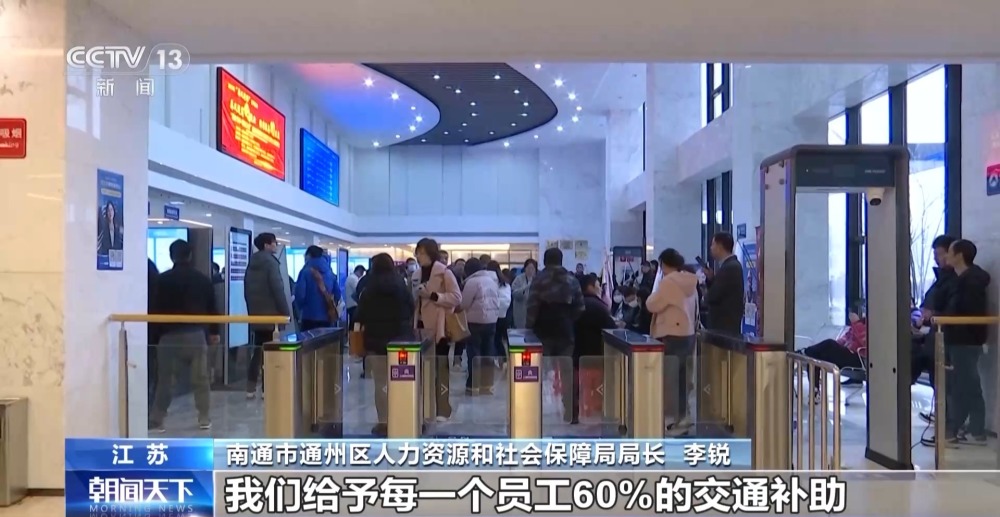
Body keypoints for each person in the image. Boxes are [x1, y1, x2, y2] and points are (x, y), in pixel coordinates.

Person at [148, 239, 219, 433]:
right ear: (190, 255)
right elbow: (212, 308)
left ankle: (157, 419)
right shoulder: (202, 279)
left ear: (171, 256)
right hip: (196, 335)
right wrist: (214, 332)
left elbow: (153, 310)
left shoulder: (162, 280)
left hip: (168, 336)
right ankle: (204, 417)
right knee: (201, 380)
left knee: (165, 380)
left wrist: (155, 338)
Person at [355, 253, 414, 437]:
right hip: (401, 341)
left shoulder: (368, 288)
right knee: (402, 381)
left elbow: (360, 315)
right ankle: (403, 419)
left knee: (381, 384)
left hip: (376, 341)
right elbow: (411, 308)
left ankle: (384, 423)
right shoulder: (401, 285)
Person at [940, 239, 991, 445]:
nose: (946, 256)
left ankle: (969, 429)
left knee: (967, 385)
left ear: (959, 255)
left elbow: (968, 311)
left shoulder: (971, 282)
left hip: (965, 340)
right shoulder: (959, 279)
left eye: (950, 252)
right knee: (962, 384)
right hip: (958, 339)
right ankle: (964, 428)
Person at [526, 248, 585, 424]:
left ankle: (532, 410)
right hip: (565, 331)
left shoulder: (539, 280)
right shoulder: (572, 280)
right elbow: (580, 308)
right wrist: (568, 320)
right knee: (567, 371)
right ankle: (572, 412)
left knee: (538, 371)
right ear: (561, 260)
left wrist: (529, 328)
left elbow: (532, 306)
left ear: (545, 261)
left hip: (542, 331)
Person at [645, 248, 700, 434]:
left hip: (671, 334)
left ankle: (675, 416)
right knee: (683, 378)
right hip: (688, 333)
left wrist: (654, 292)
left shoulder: (669, 282)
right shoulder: (689, 281)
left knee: (671, 379)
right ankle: (684, 415)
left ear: (664, 264)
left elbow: (652, 304)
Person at [414, 238, 462, 421]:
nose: (419, 256)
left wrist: (433, 296)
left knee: (440, 368)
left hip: (439, 327)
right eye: (418, 253)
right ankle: (426, 406)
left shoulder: (444, 273)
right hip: (420, 326)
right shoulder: (416, 274)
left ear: (431, 254)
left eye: (422, 253)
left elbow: (456, 297)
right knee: (423, 368)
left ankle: (443, 408)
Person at [243, 232, 291, 399]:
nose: (276, 245)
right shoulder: (271, 263)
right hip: (272, 316)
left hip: (257, 315)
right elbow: (278, 290)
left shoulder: (251, 263)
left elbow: (246, 291)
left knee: (258, 351)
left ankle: (250, 388)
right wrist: (285, 312)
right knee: (270, 353)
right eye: (274, 242)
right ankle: (267, 388)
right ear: (266, 245)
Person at [915, 235, 956, 424]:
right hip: (934, 334)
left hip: (946, 337)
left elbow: (954, 309)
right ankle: (941, 418)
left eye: (939, 254)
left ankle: (948, 422)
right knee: (936, 379)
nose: (936, 259)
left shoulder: (955, 280)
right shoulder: (941, 279)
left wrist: (932, 314)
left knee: (945, 381)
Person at [458, 258, 502, 395]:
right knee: (488, 353)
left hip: (475, 322)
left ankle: (473, 385)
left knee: (474, 353)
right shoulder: (492, 281)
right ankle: (487, 385)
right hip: (491, 321)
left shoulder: (472, 282)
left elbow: (464, 303)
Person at [802, 311, 867, 400]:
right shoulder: (859, 324)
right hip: (848, 354)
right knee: (815, 357)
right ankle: (815, 390)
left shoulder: (868, 326)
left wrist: (856, 323)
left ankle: (804, 352)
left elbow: (865, 342)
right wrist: (838, 345)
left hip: (860, 359)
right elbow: (844, 339)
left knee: (829, 344)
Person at [703, 232, 744, 334]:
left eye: (713, 244)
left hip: (724, 327)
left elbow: (713, 296)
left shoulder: (730, 267)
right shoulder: (730, 266)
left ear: (719, 246)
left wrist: (705, 296)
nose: (711, 248)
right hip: (726, 325)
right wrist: (711, 279)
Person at [294, 246, 339, 331]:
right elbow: (338, 293)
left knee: (309, 338)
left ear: (308, 255)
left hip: (309, 316)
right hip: (327, 316)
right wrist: (330, 305)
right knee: (325, 339)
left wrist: (300, 309)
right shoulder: (330, 272)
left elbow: (300, 295)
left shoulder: (305, 272)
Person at [488, 260, 513, 368]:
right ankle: (504, 361)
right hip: (503, 315)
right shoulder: (505, 283)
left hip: (489, 315)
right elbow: (506, 300)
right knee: (500, 339)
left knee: (493, 339)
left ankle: (495, 361)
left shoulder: (487, 282)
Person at [511, 258, 537, 328]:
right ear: (525, 268)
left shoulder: (538, 279)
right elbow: (514, 293)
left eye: (532, 268)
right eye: (528, 268)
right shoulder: (519, 278)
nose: (530, 270)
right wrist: (526, 287)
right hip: (521, 310)